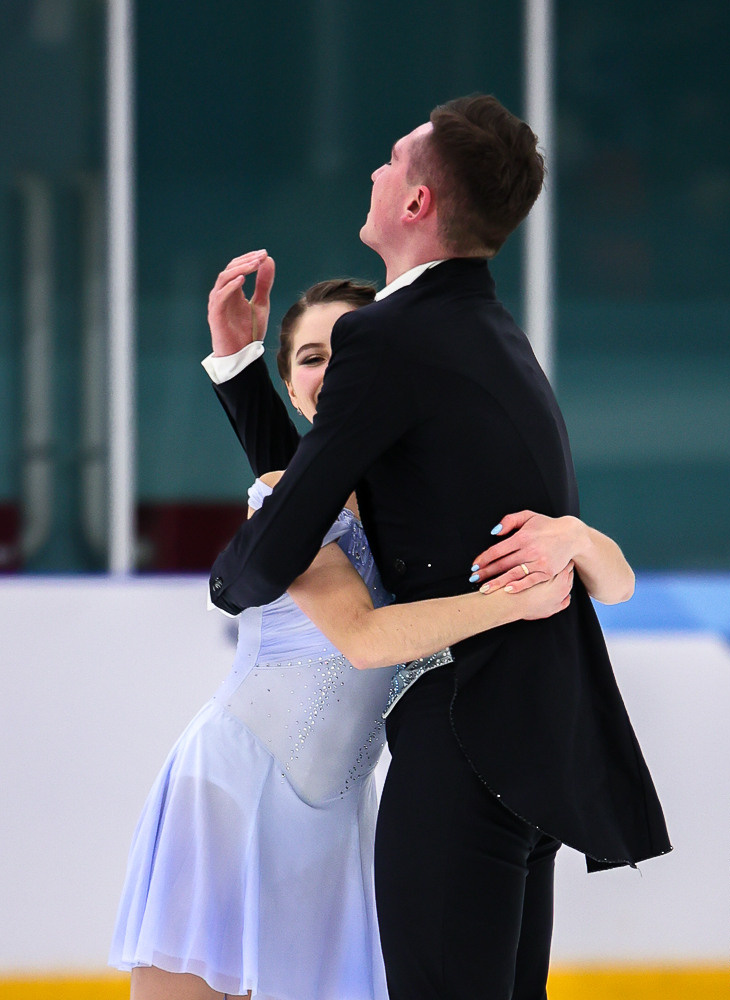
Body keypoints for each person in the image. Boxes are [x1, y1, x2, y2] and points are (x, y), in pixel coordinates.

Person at [206, 94, 671, 1000]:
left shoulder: (388, 337)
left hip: (465, 741)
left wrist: (230, 581)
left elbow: (294, 530)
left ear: (418, 204)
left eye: (390, 160)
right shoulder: (487, 334)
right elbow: (337, 495)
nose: (376, 172)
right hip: (530, 742)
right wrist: (241, 371)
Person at [109, 276, 580, 1000]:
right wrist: (512, 601)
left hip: (336, 815)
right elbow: (362, 638)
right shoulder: (286, 491)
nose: (330, 372)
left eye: (351, 350)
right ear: (292, 388)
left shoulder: (414, 502)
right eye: (310, 359)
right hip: (233, 788)